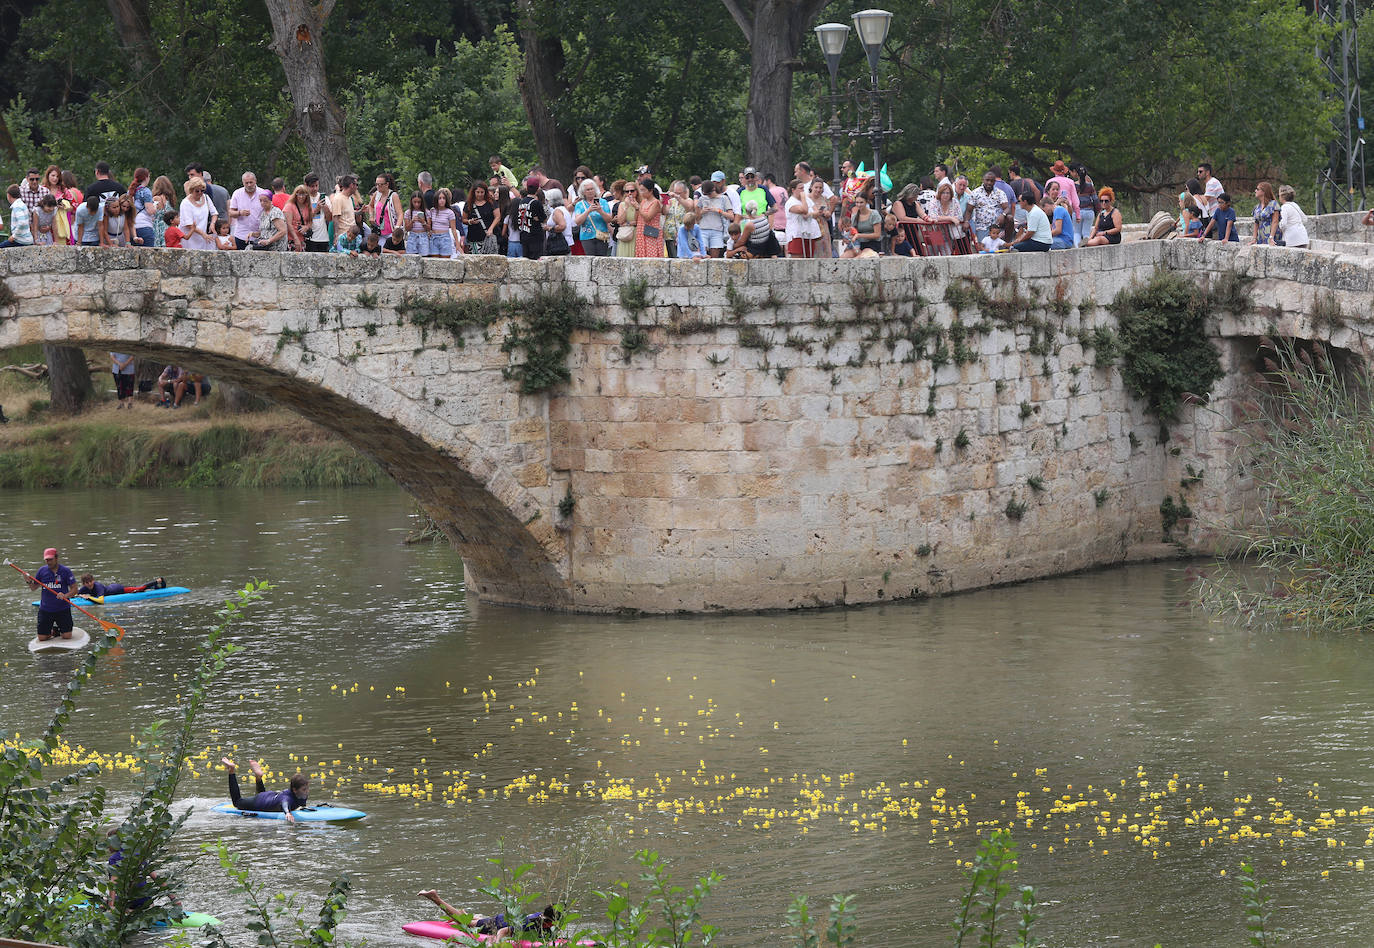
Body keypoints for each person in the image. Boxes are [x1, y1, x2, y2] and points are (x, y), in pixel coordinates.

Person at [417, 890, 556, 941]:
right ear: (550, 921)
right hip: (496, 925)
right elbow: (502, 931)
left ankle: (470, 915)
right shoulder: (530, 922)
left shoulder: (543, 918)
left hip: (502, 919)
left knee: (472, 920)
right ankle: (435, 898)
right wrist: (495, 943)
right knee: (462, 922)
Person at [221, 758, 308, 823]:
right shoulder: (287, 799)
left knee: (261, 794)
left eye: (307, 788)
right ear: (294, 790)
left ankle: (258, 777)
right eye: (304, 789)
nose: (307, 791)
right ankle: (231, 770)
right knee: (237, 802)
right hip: (261, 801)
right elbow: (285, 804)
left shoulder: (299, 794)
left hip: (269, 796)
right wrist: (288, 813)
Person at [28, 548, 77, 642]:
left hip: (63, 609)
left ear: (56, 558)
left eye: (50, 559)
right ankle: (53, 631)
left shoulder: (66, 571)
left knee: (67, 636)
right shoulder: (42, 571)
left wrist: (65, 596)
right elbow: (33, 588)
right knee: (42, 638)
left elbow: (75, 589)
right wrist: (28, 581)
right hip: (46, 610)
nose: (48, 562)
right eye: (47, 560)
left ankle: (58, 630)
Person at [964, 171, 1009, 244]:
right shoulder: (975, 193)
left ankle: (1008, 244)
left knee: (995, 250)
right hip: (981, 226)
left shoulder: (1000, 193)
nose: (989, 183)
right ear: (983, 180)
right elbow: (969, 210)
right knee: (984, 249)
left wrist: (1003, 215)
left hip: (995, 226)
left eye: (991, 181)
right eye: (987, 180)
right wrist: (966, 221)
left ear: (994, 182)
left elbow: (1007, 208)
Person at [574, 179, 612, 257]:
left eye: (592, 189)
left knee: (602, 259)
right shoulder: (579, 205)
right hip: (586, 237)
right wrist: (588, 211)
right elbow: (577, 222)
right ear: (583, 192)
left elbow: (609, 219)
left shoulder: (603, 202)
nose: (590, 191)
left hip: (602, 236)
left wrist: (600, 211)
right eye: (587, 190)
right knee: (590, 259)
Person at [227, 173, 266, 249]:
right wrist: (239, 213)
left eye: (251, 182)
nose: (249, 185)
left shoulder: (263, 193)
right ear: (243, 182)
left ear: (255, 181)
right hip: (241, 234)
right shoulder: (237, 193)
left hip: (260, 234)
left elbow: (269, 211)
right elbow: (230, 213)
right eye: (246, 183)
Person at [785, 178, 820, 258]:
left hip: (808, 232)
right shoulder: (790, 202)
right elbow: (804, 210)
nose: (803, 191)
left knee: (809, 256)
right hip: (797, 234)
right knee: (798, 257)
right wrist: (803, 198)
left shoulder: (807, 200)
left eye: (803, 188)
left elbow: (816, 212)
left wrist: (810, 214)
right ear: (793, 190)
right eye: (800, 188)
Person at [178, 178, 216, 251]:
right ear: (191, 190)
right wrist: (203, 234)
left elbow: (214, 213)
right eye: (197, 191)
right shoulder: (185, 203)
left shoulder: (206, 197)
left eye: (202, 190)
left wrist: (212, 224)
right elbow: (188, 224)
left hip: (203, 236)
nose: (200, 193)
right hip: (189, 237)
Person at [515, 179, 547, 260]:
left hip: (524, 234)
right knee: (536, 259)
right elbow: (543, 219)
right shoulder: (536, 203)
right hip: (535, 236)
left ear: (526, 189)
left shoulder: (521, 202)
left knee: (526, 259)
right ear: (538, 189)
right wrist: (537, 218)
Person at [463, 183, 499, 254]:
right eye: (477, 192)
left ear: (485, 192)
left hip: (488, 238)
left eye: (482, 192)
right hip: (474, 238)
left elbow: (497, 216)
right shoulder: (469, 203)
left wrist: (491, 228)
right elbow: (463, 219)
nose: (480, 194)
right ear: (474, 192)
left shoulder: (491, 202)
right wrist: (470, 221)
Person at [633, 179, 664, 259]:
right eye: (641, 190)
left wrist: (638, 207)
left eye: (643, 190)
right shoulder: (643, 202)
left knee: (652, 256)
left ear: (650, 190)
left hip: (651, 234)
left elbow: (648, 218)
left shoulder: (655, 203)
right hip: (641, 232)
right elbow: (636, 218)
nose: (641, 193)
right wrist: (636, 208)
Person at [77, 574, 167, 600]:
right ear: (84, 584)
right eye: (86, 583)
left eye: (90, 582)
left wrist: (89, 597)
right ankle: (152, 587)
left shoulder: (98, 586)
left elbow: (100, 601)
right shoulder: (85, 588)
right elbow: (77, 594)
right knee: (139, 590)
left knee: (139, 589)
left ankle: (158, 581)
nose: (89, 584)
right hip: (111, 587)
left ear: (93, 580)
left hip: (117, 589)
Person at [428, 189, 459, 257]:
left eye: (444, 198)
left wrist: (457, 243)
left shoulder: (450, 212)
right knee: (434, 261)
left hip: (445, 238)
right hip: (434, 238)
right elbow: (429, 226)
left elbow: (453, 229)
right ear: (436, 200)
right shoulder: (432, 211)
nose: (442, 200)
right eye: (439, 198)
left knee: (445, 261)